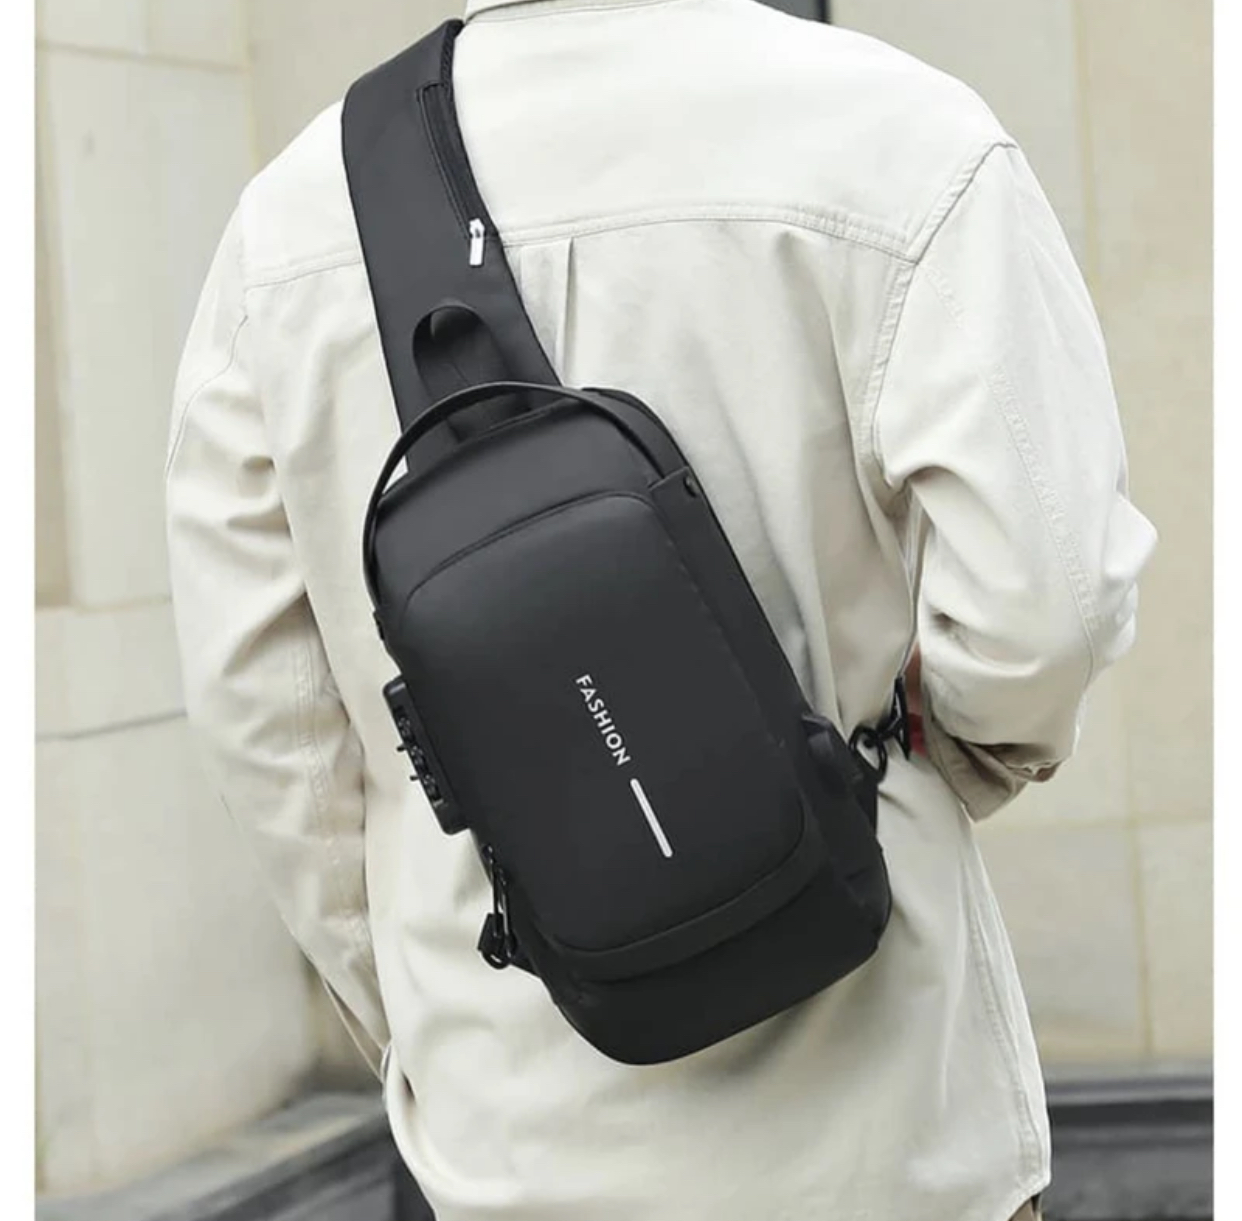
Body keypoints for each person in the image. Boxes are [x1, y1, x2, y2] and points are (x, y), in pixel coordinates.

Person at [165, 1, 1156, 1218]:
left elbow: (267, 722)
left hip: (507, 1148)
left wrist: (435, 1009)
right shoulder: (901, 139)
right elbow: (1046, 612)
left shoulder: (288, 226)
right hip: (888, 1130)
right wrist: (917, 763)